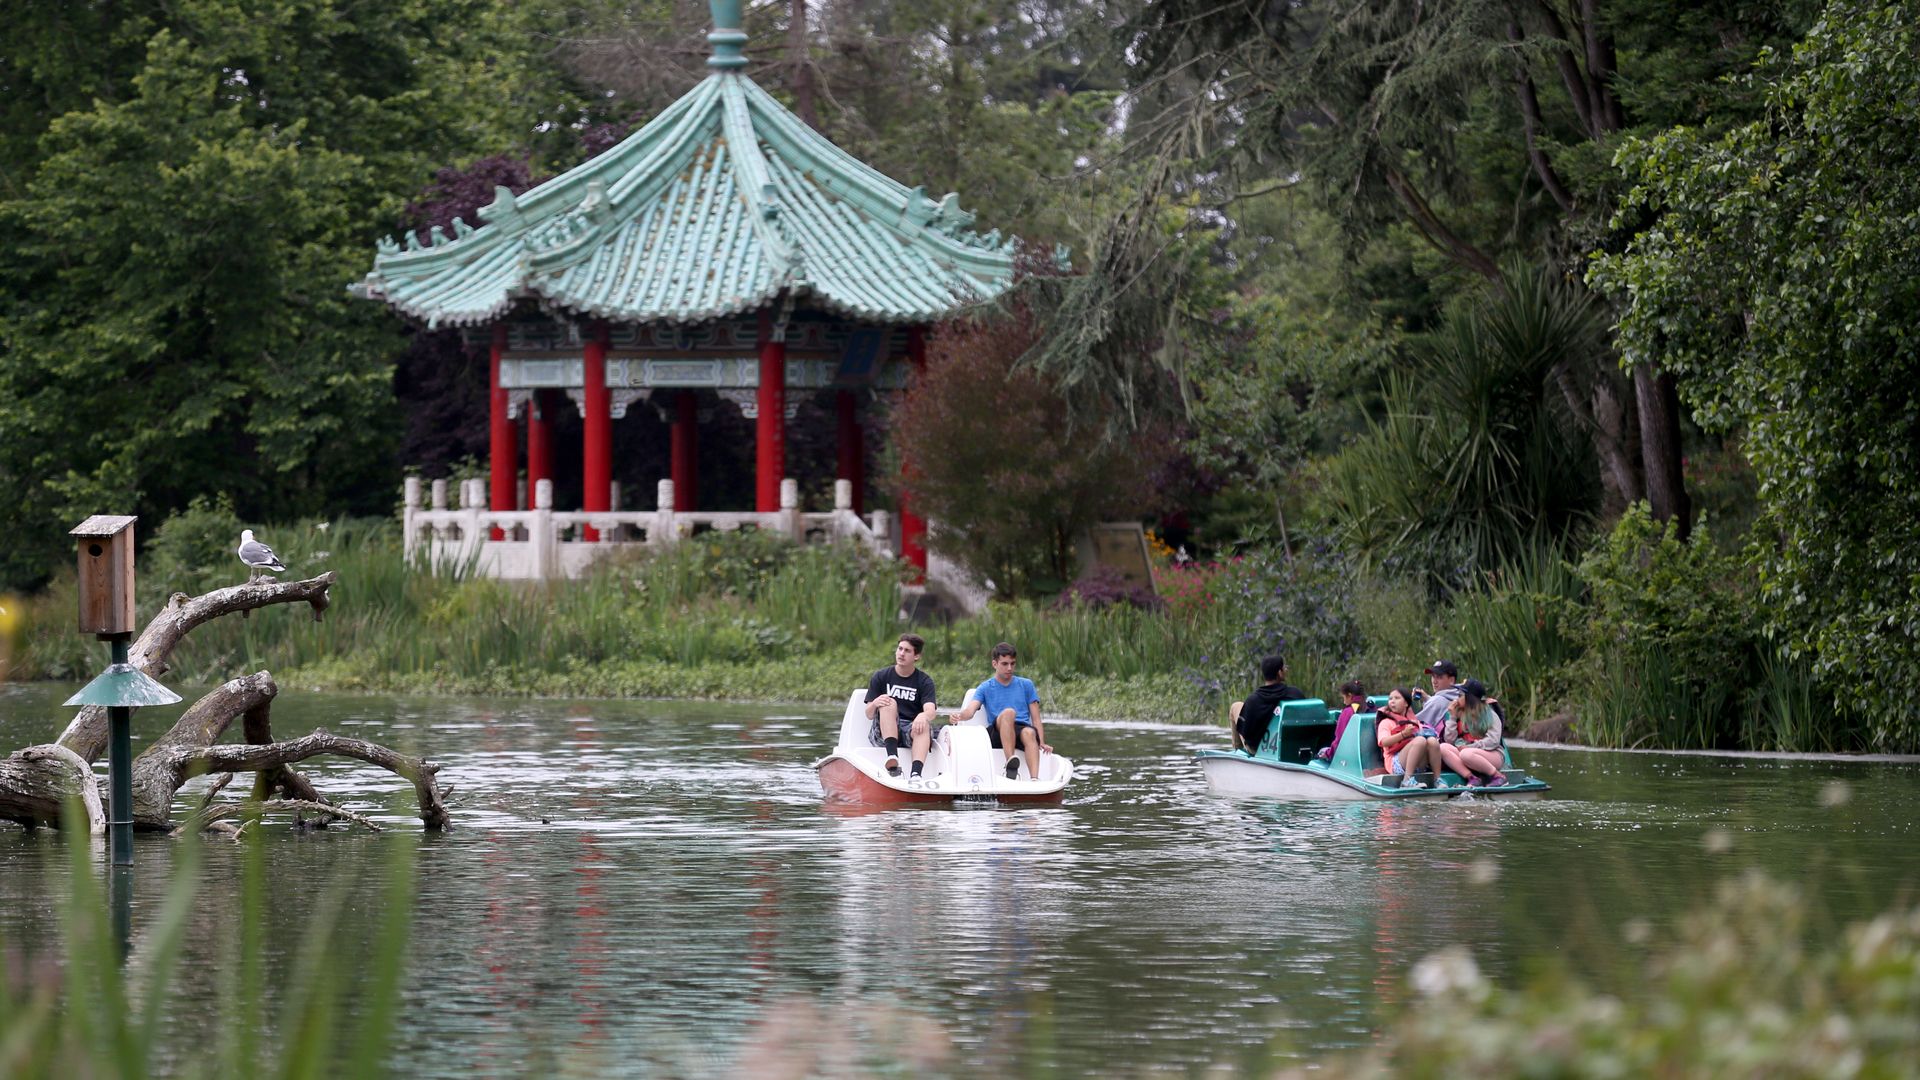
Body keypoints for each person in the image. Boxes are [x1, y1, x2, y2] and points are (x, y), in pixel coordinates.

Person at [948, 642, 1053, 780]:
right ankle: (1011, 763)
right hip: (997, 731)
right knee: (1009, 713)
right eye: (1004, 664)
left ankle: (1034, 780)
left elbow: (1036, 719)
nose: (1009, 668)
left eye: (1012, 663)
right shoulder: (985, 687)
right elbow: (970, 710)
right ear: (995, 664)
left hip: (1021, 730)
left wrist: (1042, 742)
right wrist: (959, 716)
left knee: (1029, 732)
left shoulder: (1026, 685)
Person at [864, 634, 937, 780]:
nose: (901, 653)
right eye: (900, 649)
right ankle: (892, 757)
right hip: (882, 733)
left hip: (909, 730)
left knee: (924, 725)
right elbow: (869, 714)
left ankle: (916, 774)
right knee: (889, 702)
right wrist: (875, 703)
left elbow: (930, 710)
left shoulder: (924, 681)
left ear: (916, 656)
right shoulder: (881, 676)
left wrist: (922, 715)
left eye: (907, 651)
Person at [1228, 655, 1306, 754]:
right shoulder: (1295, 694)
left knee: (1236, 706)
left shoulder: (1253, 700)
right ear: (1279, 673)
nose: (1286, 670)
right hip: (1289, 747)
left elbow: (1246, 733)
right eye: (1284, 667)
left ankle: (1238, 753)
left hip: (1257, 750)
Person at [1448, 679, 1507, 787]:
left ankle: (1498, 776)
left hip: (1492, 754)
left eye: (1460, 695)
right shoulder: (1459, 714)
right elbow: (1449, 740)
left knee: (1466, 754)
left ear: (1469, 698)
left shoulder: (1490, 715)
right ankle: (1472, 778)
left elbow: (1493, 741)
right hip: (1467, 753)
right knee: (1443, 747)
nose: (1457, 699)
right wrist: (1452, 717)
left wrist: (1471, 746)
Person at [1317, 680, 1369, 760]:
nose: (1344, 702)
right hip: (1367, 755)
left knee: (1321, 751)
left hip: (1348, 758)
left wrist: (1327, 754)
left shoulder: (1347, 712)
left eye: (1344, 698)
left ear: (1349, 695)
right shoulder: (1370, 708)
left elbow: (1340, 741)